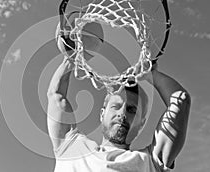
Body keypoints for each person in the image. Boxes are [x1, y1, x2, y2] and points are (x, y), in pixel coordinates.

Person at [47, 24, 191, 172]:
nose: (122, 114)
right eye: (116, 106)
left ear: (142, 123)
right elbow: (56, 95)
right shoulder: (72, 147)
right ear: (102, 113)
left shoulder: (150, 162)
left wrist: (151, 75)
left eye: (131, 110)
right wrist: (71, 58)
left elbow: (181, 101)